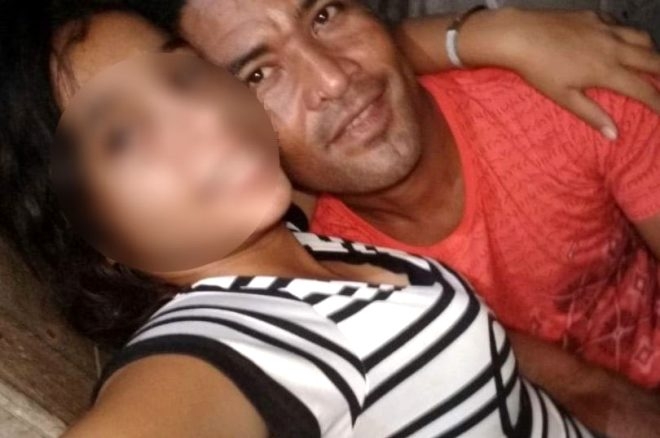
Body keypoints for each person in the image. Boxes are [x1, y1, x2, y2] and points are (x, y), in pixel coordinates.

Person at [0, 5, 601, 437]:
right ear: (87, 231)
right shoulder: (230, 343)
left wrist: (495, 33)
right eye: (125, 135)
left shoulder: (292, 243)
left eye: (184, 75)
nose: (201, 118)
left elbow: (341, 77)